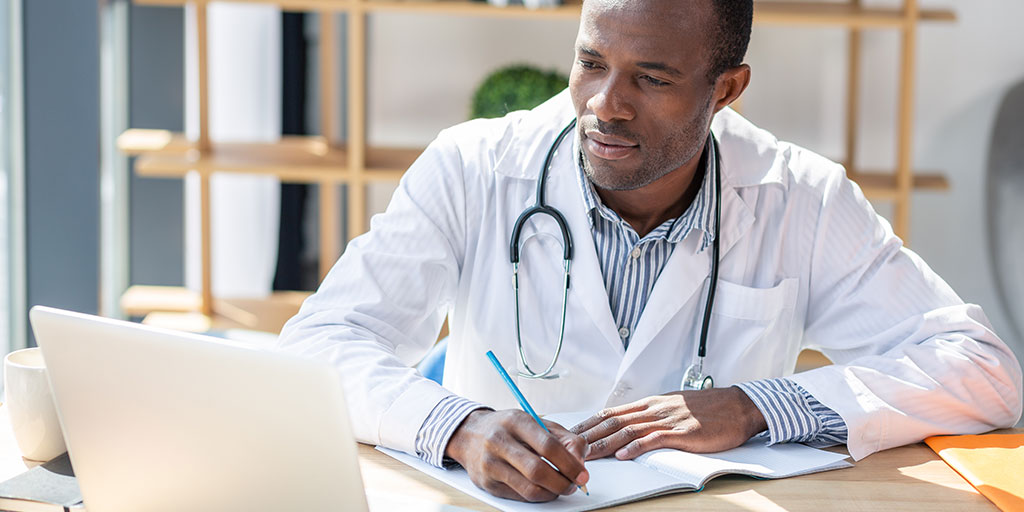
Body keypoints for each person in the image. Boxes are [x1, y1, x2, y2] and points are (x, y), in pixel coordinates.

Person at [277, 0, 1023, 503]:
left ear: (727, 88)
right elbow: (319, 343)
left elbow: (983, 369)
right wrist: (457, 427)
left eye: (653, 78)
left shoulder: (802, 197)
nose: (606, 104)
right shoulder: (473, 167)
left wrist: (760, 406)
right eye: (591, 62)